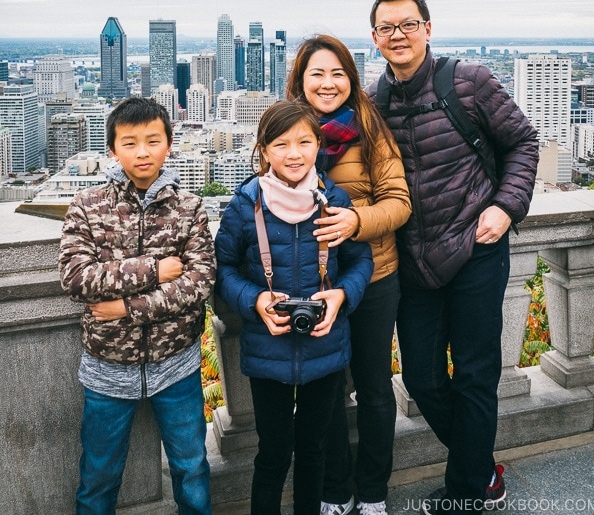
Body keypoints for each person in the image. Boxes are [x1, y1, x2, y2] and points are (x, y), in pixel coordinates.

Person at [367, 0, 539, 512]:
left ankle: (469, 490)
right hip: (414, 263)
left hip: (475, 250)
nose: (399, 35)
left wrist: (505, 206)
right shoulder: (374, 103)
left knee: (475, 373)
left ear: (427, 29)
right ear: (375, 38)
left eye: (408, 25)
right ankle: (483, 467)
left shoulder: (469, 81)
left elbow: (523, 142)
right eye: (387, 28)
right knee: (420, 377)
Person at [214, 100, 374, 515]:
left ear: (318, 145)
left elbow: (360, 262)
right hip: (268, 349)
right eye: (281, 143)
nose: (294, 153)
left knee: (314, 449)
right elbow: (224, 268)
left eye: (305, 141)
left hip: (326, 345)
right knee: (272, 453)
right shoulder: (244, 206)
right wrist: (255, 300)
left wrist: (341, 296)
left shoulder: (334, 200)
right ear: (263, 150)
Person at [59, 97, 215, 515]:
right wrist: (155, 269)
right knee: (98, 475)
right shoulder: (88, 205)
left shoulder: (189, 207)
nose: (142, 152)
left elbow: (199, 283)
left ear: (169, 144)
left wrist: (125, 308)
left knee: (192, 468)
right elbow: (76, 278)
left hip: (176, 363)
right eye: (129, 143)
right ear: (112, 149)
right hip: (107, 367)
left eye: (152, 141)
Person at [287, 35, 412, 515]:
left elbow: (399, 203)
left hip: (376, 276)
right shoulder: (287, 128)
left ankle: (375, 492)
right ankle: (335, 490)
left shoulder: (369, 125)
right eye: (317, 73)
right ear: (300, 80)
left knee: (375, 387)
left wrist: (356, 221)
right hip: (316, 282)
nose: (328, 83)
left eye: (338, 73)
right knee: (326, 389)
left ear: (351, 79)